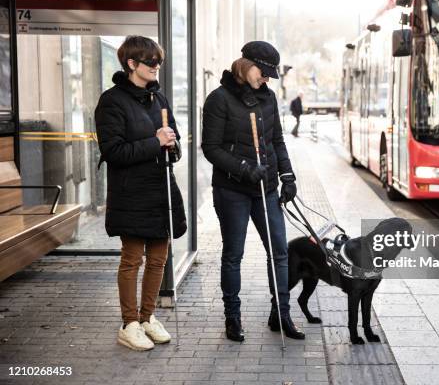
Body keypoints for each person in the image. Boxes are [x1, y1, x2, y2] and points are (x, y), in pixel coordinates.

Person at [201, 41, 304, 342]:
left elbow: (277, 141)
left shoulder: (269, 98)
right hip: (232, 190)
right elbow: (211, 148)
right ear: (246, 65)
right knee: (234, 254)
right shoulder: (219, 99)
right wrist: (244, 167)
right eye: (264, 72)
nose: (267, 79)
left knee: (280, 251)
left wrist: (287, 175)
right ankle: (232, 317)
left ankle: (281, 314)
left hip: (267, 187)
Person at [94, 36, 187, 351]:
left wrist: (172, 145)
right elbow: (113, 151)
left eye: (158, 60)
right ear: (131, 64)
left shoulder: (158, 97)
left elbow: (172, 142)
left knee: (159, 259)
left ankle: (148, 318)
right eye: (150, 61)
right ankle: (129, 323)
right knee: (132, 259)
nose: (156, 66)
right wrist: (156, 141)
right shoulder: (112, 101)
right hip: (131, 193)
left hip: (160, 189)